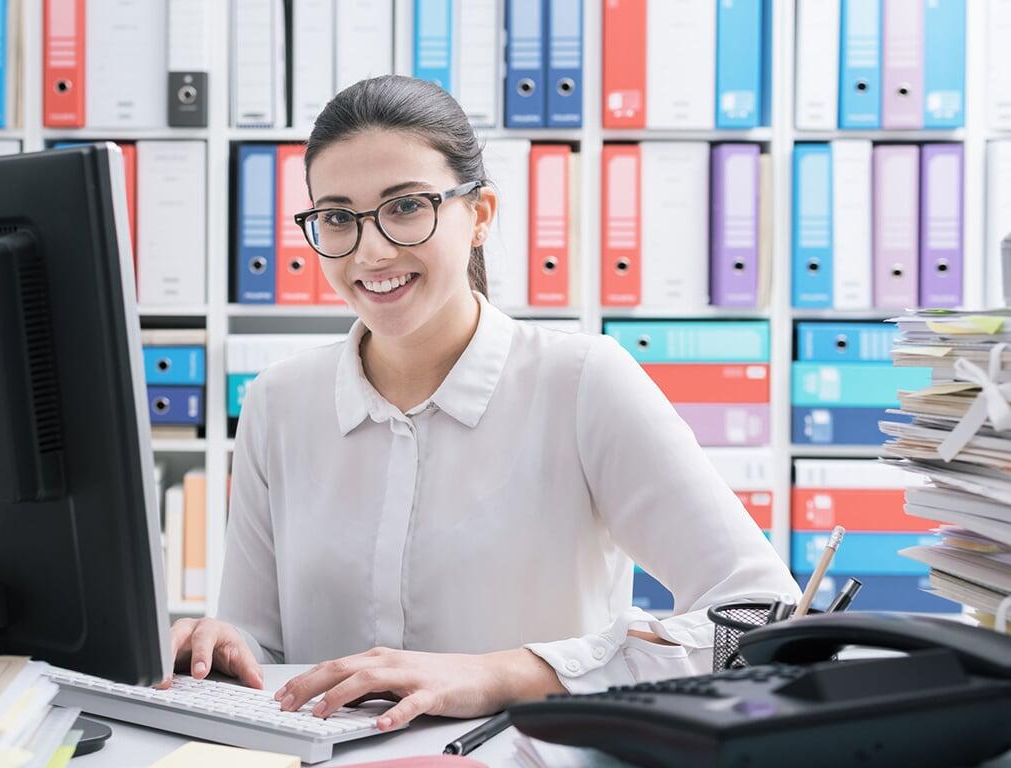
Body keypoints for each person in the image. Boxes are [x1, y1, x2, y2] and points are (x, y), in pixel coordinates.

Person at [166, 75, 799, 732]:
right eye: (336, 217)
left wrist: (504, 673)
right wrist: (223, 649)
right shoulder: (278, 402)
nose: (372, 250)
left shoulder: (582, 381)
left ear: (480, 214)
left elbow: (763, 613)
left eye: (406, 206)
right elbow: (260, 648)